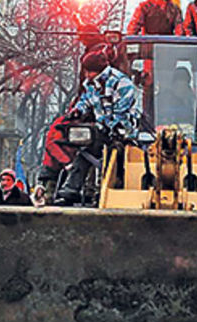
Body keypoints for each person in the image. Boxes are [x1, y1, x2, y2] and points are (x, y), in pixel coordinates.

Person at [54, 47, 139, 206]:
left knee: (114, 156)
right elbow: (86, 100)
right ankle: (71, 190)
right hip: (102, 129)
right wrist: (76, 112)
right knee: (84, 151)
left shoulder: (122, 83)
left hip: (124, 132)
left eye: (89, 71)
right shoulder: (91, 84)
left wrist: (113, 127)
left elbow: (122, 111)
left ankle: (108, 191)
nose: (86, 75)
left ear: (98, 70)